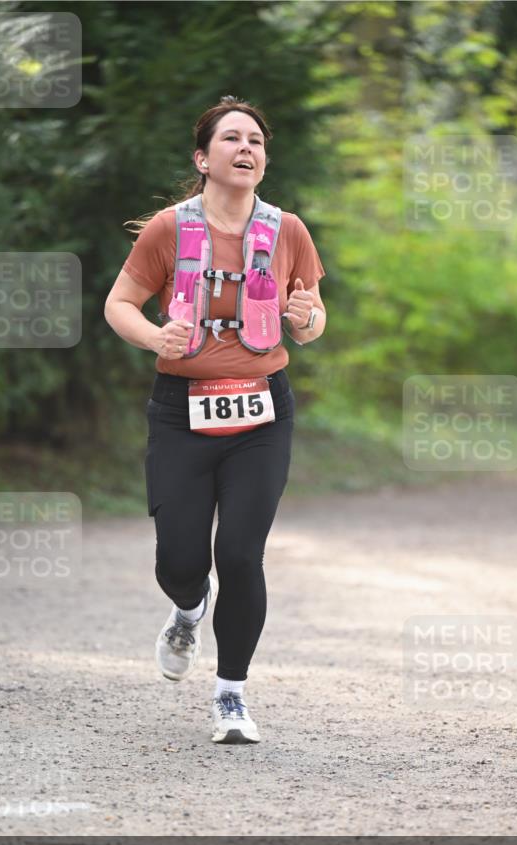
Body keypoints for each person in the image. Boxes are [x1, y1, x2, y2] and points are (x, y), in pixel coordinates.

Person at [104, 95, 326, 744]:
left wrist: (304, 320)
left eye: (255, 139)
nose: (246, 148)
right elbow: (120, 304)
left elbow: (312, 322)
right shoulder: (169, 231)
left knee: (240, 553)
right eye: (231, 138)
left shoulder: (286, 231)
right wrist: (154, 338)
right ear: (203, 159)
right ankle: (186, 607)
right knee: (178, 559)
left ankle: (231, 695)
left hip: (262, 411)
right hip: (181, 414)